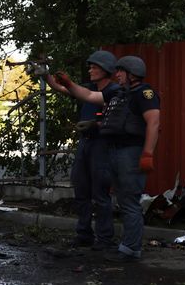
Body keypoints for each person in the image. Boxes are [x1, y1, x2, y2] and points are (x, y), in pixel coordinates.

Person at [55, 56, 160, 262]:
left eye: (121, 71)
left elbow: (154, 122)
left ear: (132, 74)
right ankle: (126, 247)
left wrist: (148, 153)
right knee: (122, 199)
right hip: (115, 150)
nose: (117, 74)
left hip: (131, 151)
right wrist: (68, 84)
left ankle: (130, 249)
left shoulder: (144, 94)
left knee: (129, 202)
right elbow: (88, 95)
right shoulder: (121, 94)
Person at [46, 50, 119, 250]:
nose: (90, 70)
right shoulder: (89, 87)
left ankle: (104, 239)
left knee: (100, 193)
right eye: (90, 66)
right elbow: (60, 88)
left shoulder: (114, 91)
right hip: (85, 143)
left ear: (106, 70)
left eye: (94, 67)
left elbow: (88, 96)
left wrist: (96, 124)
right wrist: (45, 74)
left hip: (102, 145)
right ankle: (84, 234)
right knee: (81, 189)